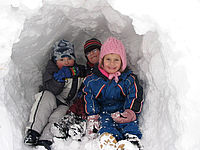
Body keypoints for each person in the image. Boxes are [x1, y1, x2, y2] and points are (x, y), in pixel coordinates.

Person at [83, 37, 144, 149]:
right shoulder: (93, 80)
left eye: (116, 59)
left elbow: (134, 94)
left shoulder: (128, 79)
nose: (112, 63)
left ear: (122, 62)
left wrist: (130, 111)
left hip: (123, 111)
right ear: (102, 61)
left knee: (130, 124)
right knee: (106, 126)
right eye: (108, 59)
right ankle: (109, 142)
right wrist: (93, 115)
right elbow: (89, 97)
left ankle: (131, 142)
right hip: (105, 112)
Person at [24, 39, 85, 150]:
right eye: (62, 59)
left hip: (65, 104)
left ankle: (46, 138)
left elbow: (86, 74)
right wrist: (58, 79)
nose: (66, 62)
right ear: (55, 61)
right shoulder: (51, 70)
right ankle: (33, 132)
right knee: (42, 105)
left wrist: (75, 73)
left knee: (58, 117)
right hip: (51, 97)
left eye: (69, 59)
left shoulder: (77, 70)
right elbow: (50, 88)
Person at [50, 38, 102, 140]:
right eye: (88, 52)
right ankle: (66, 123)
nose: (92, 54)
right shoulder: (85, 70)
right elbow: (77, 71)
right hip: (84, 97)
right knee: (76, 106)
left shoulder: (107, 66)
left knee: (85, 107)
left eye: (95, 50)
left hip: (99, 98)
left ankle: (79, 126)